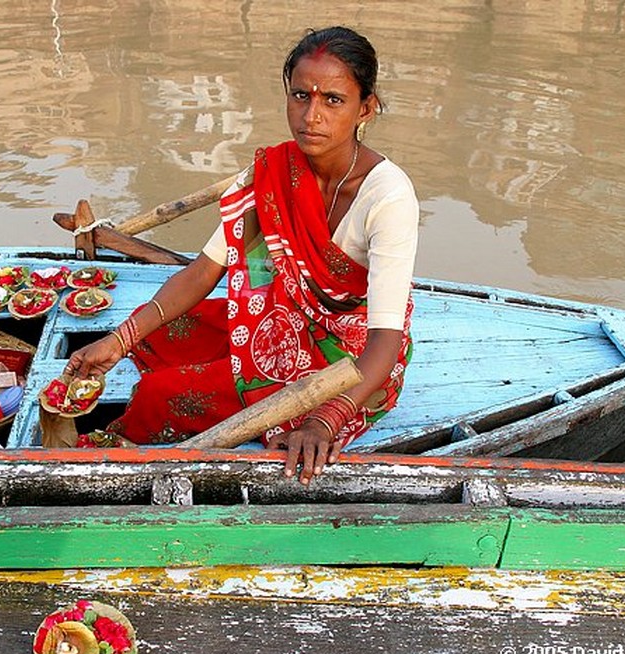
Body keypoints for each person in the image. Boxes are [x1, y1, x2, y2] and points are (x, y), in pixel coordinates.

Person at [65, 26, 418, 485]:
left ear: (364, 107)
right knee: (159, 336)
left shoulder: (389, 196)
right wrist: (120, 338)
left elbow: (385, 342)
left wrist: (323, 421)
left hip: (351, 361)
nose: (312, 115)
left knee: (160, 393)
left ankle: (113, 457)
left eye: (333, 99)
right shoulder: (271, 172)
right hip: (284, 317)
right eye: (300, 95)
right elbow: (203, 272)